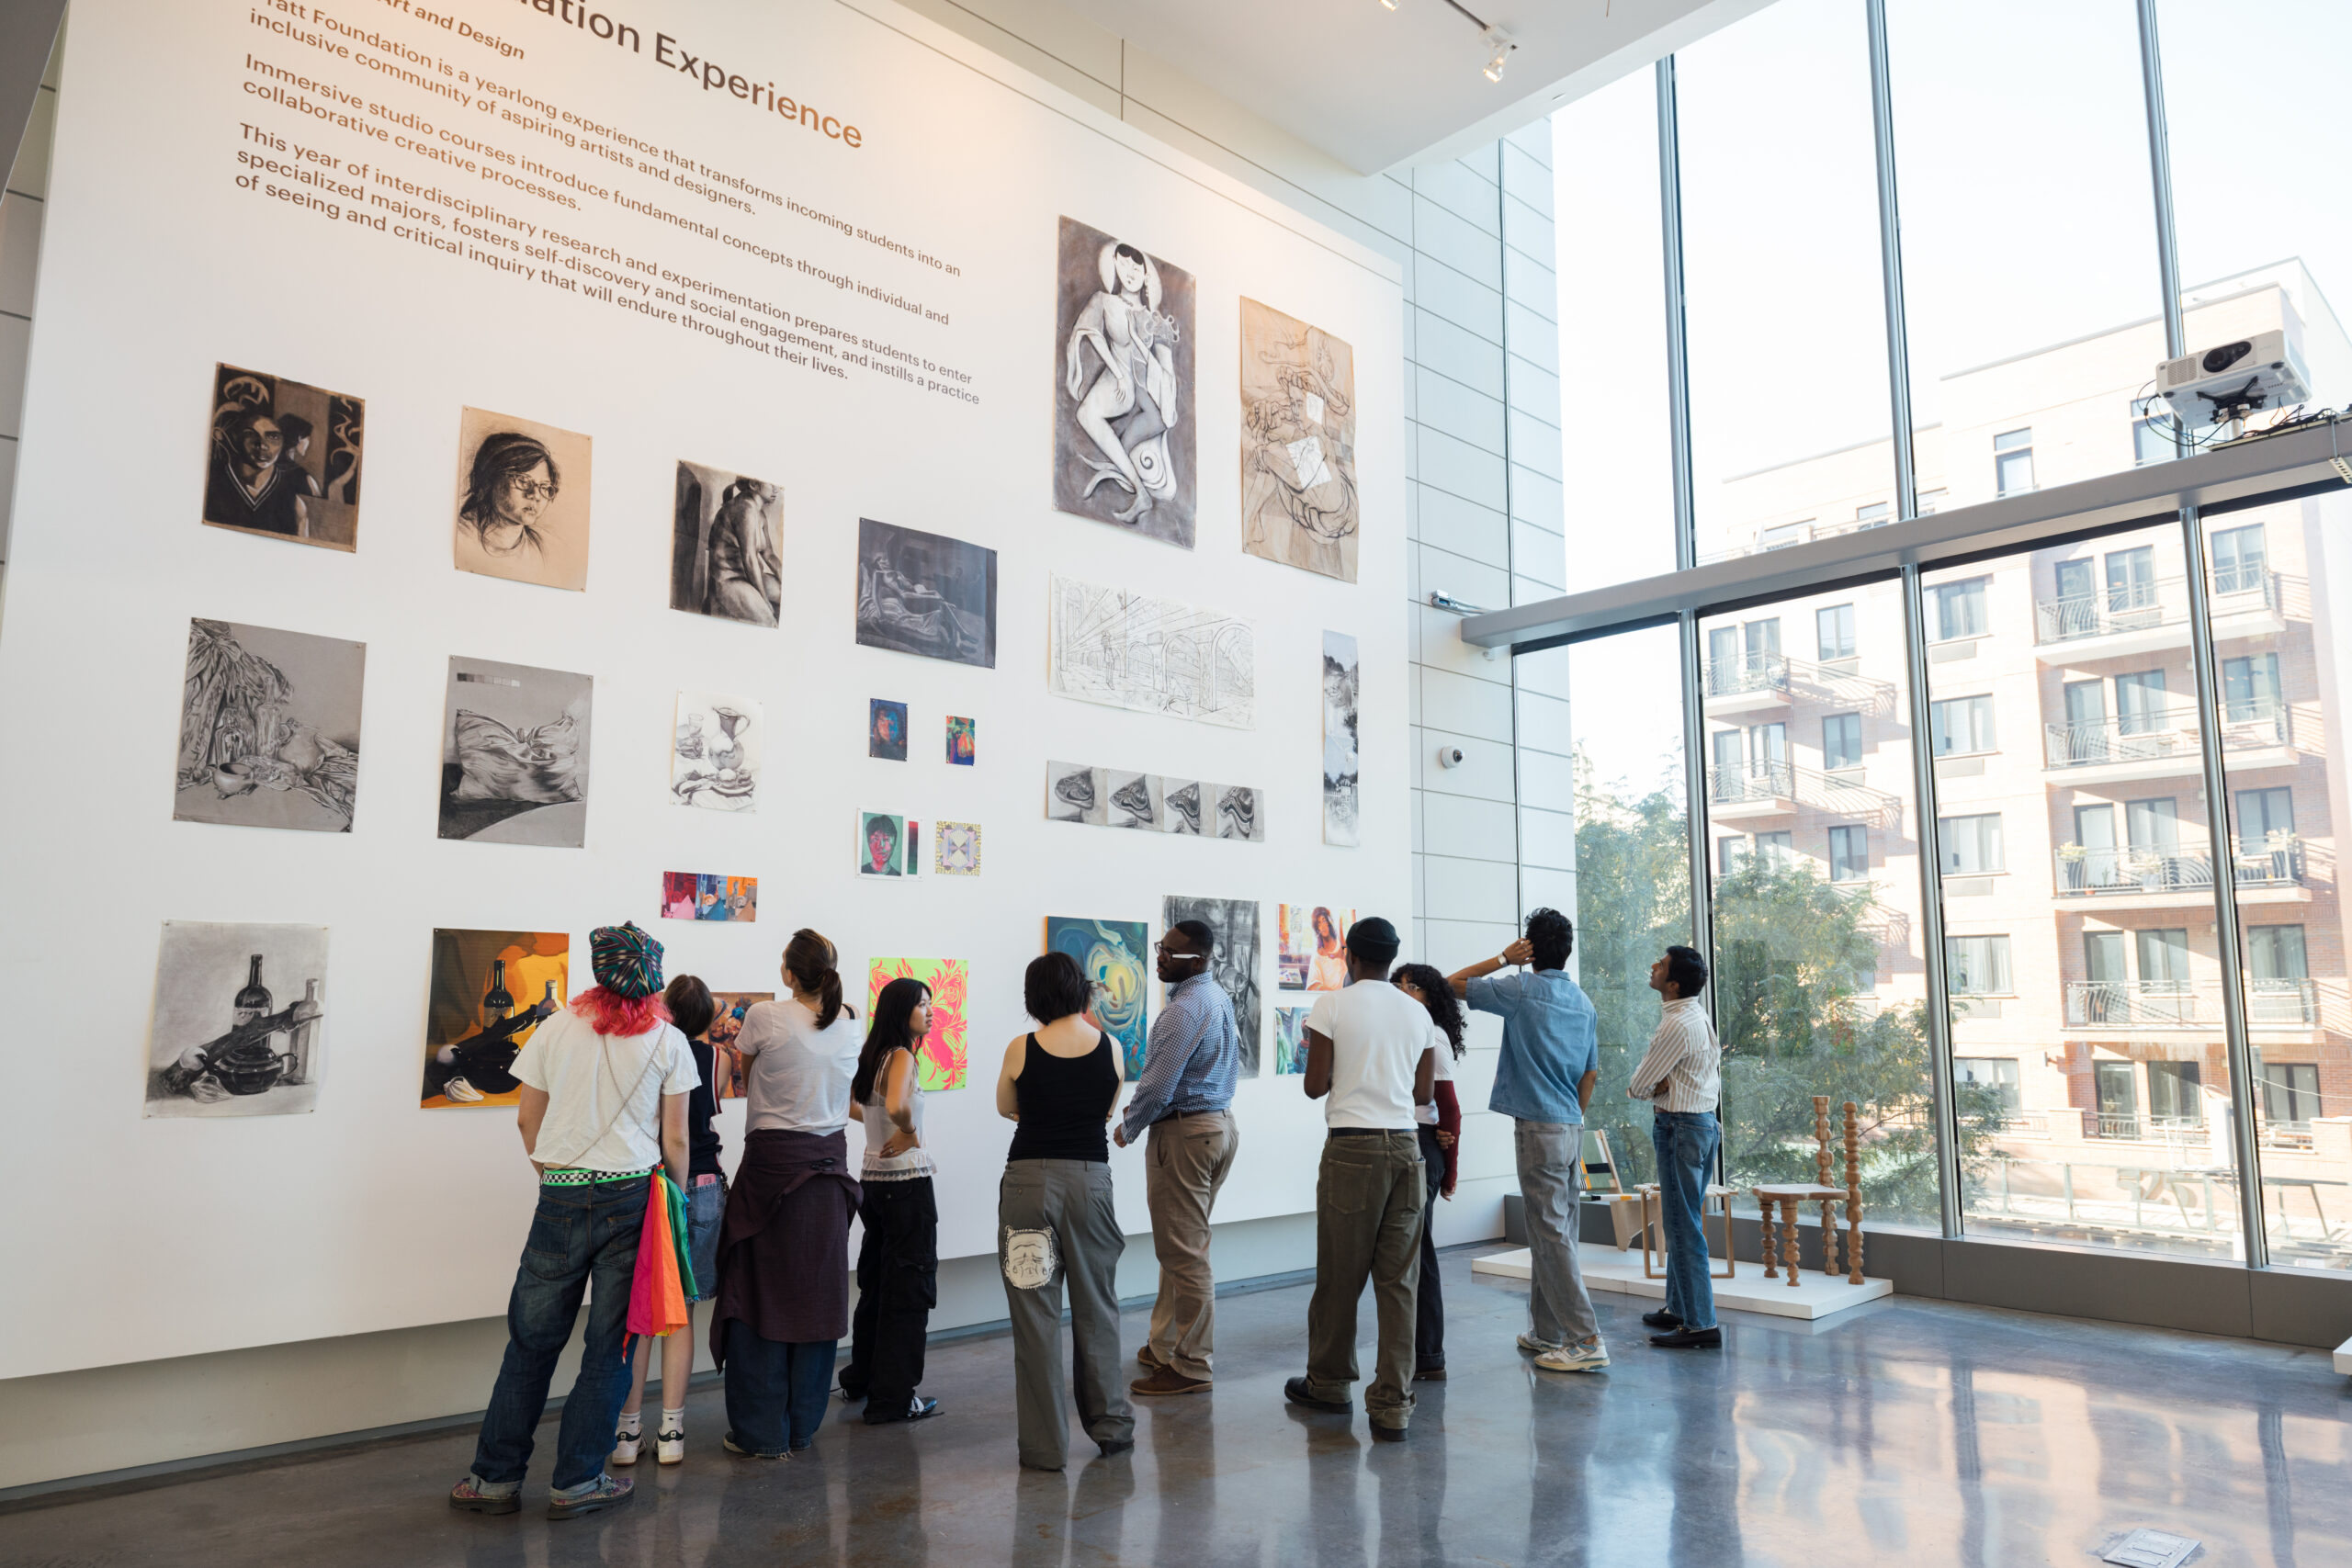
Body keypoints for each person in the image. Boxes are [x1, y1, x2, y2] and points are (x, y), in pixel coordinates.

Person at [449, 922, 696, 1522]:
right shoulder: (668, 1041)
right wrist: (677, 1199)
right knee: (609, 1346)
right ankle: (579, 1480)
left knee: (531, 1342)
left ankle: (493, 1479)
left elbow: (525, 1122)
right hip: (632, 1199)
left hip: (559, 1194)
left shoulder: (555, 1028)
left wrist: (553, 1175)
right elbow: (677, 1139)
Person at [712, 930, 864, 1458]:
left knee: (759, 1295)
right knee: (816, 1298)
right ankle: (801, 1427)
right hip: (828, 1177)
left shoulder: (765, 1017)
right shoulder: (850, 1023)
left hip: (773, 1170)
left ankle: (760, 1432)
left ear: (792, 973)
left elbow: (749, 1079)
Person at [1285, 917, 1436, 1442]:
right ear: (1392, 959)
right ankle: (1393, 1405)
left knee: (1340, 1275)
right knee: (1399, 1283)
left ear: (1349, 955)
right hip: (1406, 1150)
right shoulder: (1417, 1012)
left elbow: (1313, 1086)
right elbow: (1423, 1094)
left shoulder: (1332, 1004)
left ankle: (1329, 1383)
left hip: (1352, 1148)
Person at [1448, 908, 1605, 1374]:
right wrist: (1572, 1116)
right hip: (1571, 1126)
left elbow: (1448, 985)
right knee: (1557, 1231)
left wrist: (1502, 957)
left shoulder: (1520, 989)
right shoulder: (1583, 1002)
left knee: (1549, 1232)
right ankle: (1548, 1331)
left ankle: (1585, 1337)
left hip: (1538, 1128)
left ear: (1529, 949)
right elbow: (1591, 1073)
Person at [995, 952, 1135, 1471]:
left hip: (1028, 1184)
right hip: (1090, 1182)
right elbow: (1105, 1109)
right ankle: (1112, 1426)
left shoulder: (1021, 1047)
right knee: (1098, 1304)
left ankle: (1044, 1447)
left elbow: (1005, 1105)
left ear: (1035, 997)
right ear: (1082, 990)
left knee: (1034, 1316)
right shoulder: (1112, 1048)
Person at [1113, 919, 1239, 1398]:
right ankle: (1164, 1344)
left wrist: (1129, 1127)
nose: (1160, 957)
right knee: (1179, 1244)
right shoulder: (1218, 998)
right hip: (1217, 1127)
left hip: (1186, 1136)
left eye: (1170, 953)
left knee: (1185, 1256)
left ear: (1199, 960)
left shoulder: (1183, 1010)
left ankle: (1192, 1364)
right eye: (1161, 948)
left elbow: (1159, 1085)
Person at [612, 976, 725, 1468]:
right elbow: (702, 1117)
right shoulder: (716, 1059)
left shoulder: (649, 1049)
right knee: (683, 1310)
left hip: (651, 1183)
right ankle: (673, 1431)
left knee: (639, 1313)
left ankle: (626, 1433)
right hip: (701, 1185)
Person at [841, 977, 944, 1425]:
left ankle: (862, 1380)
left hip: (874, 1181)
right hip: (906, 1184)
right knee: (909, 1289)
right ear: (902, 1012)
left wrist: (882, 1124)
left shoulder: (874, 1055)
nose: (930, 1012)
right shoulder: (902, 1055)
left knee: (878, 1284)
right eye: (923, 1005)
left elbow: (852, 1105)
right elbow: (901, 1105)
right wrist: (906, 1131)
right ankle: (894, 1398)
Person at [1630, 946, 1724, 1350]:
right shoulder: (1693, 1015)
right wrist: (1660, 1082)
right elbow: (1656, 1082)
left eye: (1661, 965)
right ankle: (1680, 1307)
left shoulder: (1676, 1026)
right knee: (1682, 1222)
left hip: (1680, 1126)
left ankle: (1701, 1323)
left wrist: (1657, 1084)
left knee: (1682, 1227)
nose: (1653, 967)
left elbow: (1636, 1086)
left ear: (1672, 984)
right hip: (1698, 1124)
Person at [1063, 239, 1181, 525]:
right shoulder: (1105, 301)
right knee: (1085, 414)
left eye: (1136, 267)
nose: (1129, 272)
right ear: (1115, 265)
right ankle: (1138, 488)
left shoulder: (1152, 318)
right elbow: (1090, 332)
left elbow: (1165, 372)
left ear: (1145, 276)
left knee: (1087, 414)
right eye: (1124, 264)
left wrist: (1144, 345)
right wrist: (1116, 372)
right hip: (1117, 380)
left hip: (1137, 390)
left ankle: (1139, 488)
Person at [1393, 963, 1466, 1382]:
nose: (1401, 993)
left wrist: (1451, 1172)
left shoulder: (1433, 1038)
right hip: (1417, 1140)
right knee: (1411, 1252)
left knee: (1420, 1254)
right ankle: (1419, 1353)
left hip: (1424, 1145)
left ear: (1426, 994)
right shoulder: (1414, 1031)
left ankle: (1429, 1355)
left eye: (1408, 987)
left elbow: (1450, 1111)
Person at [205, 408, 317, 537]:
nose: (262, 445)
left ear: (284, 442)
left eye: (273, 437)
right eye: (250, 434)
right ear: (237, 437)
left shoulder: (297, 488)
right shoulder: (215, 480)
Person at [457, 431, 560, 563]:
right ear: (489, 480)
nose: (536, 495)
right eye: (523, 481)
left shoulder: (542, 548)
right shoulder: (460, 536)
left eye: (544, 487)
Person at [703, 477, 782, 626]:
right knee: (769, 622)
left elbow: (769, 555)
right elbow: (749, 558)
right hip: (728, 582)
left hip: (749, 578)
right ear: (754, 485)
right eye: (771, 483)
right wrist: (764, 600)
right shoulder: (744, 509)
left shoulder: (760, 515)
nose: (776, 488)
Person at [1307, 907, 1349, 991]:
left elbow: (1351, 963)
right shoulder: (1317, 955)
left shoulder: (1340, 943)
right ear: (1317, 928)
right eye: (1319, 923)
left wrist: (1340, 956)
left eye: (1324, 920)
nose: (1322, 926)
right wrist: (1331, 992)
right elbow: (1313, 985)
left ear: (1328, 922)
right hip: (1330, 996)